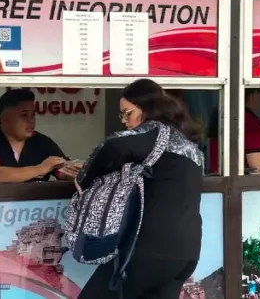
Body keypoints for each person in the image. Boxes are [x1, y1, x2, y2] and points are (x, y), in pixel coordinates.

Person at [78, 79, 203, 299]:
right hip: (186, 253)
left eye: (128, 113)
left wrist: (84, 178)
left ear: (148, 109)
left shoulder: (154, 133)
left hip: (151, 251)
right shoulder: (186, 142)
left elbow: (112, 146)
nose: (125, 121)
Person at [0, 88, 78, 184]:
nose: (31, 121)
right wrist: (40, 169)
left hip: (36, 208)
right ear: (5, 118)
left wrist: (77, 171)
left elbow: (63, 171)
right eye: (24, 115)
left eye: (33, 115)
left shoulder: (42, 142)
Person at [208, 88, 260, 174]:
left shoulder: (221, 117)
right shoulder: (250, 122)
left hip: (218, 182)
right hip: (241, 184)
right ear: (252, 94)